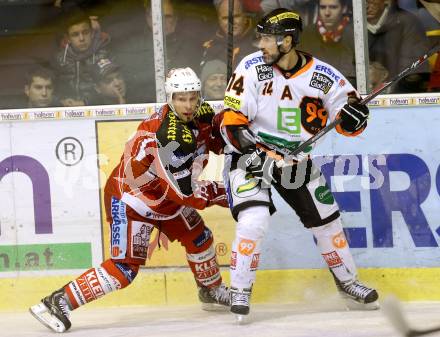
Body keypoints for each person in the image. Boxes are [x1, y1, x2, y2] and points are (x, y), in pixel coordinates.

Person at [29, 67, 231, 333]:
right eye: (181, 98)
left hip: (165, 200)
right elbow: (186, 193)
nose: (189, 105)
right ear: (170, 98)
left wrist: (231, 135)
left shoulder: (200, 116)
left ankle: (211, 290)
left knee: (199, 238)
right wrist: (231, 192)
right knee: (124, 269)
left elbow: (216, 142)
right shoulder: (163, 136)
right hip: (132, 201)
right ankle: (57, 302)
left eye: (193, 97)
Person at [212, 8, 379, 321]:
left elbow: (350, 121)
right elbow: (231, 125)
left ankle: (347, 282)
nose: (259, 44)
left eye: (266, 38)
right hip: (252, 157)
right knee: (254, 217)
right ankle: (240, 289)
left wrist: (356, 119)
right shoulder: (250, 68)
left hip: (295, 160)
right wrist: (262, 154)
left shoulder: (324, 77)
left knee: (327, 222)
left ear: (286, 41)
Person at [367, 0, 430, 92]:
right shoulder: (349, 27)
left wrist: (391, 97)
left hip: (396, 97)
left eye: (369, 0)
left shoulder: (408, 22)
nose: (365, 5)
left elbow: (414, 75)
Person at [53, 9, 112, 104]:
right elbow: (51, 88)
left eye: (85, 32)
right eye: (75, 35)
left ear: (92, 33)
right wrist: (61, 101)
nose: (81, 38)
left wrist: (85, 103)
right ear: (68, 39)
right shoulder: (59, 59)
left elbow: (110, 90)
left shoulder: (104, 55)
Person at [299, 0, 356, 85]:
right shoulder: (306, 34)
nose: (327, 13)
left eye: (333, 7)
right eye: (322, 7)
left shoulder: (354, 33)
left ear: (344, 8)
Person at [201, 0, 256, 71]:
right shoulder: (209, 45)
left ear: (245, 18)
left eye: (236, 16)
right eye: (225, 18)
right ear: (219, 21)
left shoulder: (261, 43)